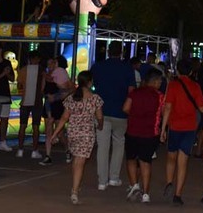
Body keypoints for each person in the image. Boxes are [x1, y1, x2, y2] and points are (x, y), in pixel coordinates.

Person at [50, 70, 104, 205]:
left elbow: (64, 118)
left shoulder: (71, 97)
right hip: (87, 134)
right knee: (80, 162)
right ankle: (74, 191)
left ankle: (76, 185)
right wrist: (100, 125)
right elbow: (100, 117)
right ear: (90, 82)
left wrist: (55, 133)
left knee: (76, 159)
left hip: (73, 132)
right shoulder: (95, 98)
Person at [91, 41, 136, 190]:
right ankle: (114, 178)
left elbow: (95, 85)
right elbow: (131, 91)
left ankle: (101, 181)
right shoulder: (128, 68)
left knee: (102, 147)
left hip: (101, 111)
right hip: (120, 112)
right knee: (118, 144)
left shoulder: (98, 66)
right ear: (121, 52)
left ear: (108, 51)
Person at [161, 57, 203, 206]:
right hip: (189, 127)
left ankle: (169, 183)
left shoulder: (172, 85)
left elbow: (167, 107)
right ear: (192, 71)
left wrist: (163, 128)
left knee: (171, 158)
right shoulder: (195, 86)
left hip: (174, 126)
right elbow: (202, 108)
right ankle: (178, 194)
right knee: (183, 161)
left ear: (178, 70)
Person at [124, 67, 164, 203]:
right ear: (156, 82)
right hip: (150, 133)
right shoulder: (159, 96)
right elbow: (163, 112)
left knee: (131, 159)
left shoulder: (135, 93)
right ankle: (146, 194)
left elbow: (125, 108)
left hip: (133, 130)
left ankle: (135, 185)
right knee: (145, 162)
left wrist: (135, 115)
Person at [40, 55, 73, 165]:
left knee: (60, 133)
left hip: (58, 104)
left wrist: (60, 92)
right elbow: (43, 90)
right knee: (48, 129)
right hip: (49, 103)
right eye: (48, 64)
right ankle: (48, 155)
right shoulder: (47, 76)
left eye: (52, 63)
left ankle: (67, 150)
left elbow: (69, 89)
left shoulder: (59, 73)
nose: (50, 66)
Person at [15, 50, 45, 159]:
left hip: (25, 101)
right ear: (39, 59)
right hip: (37, 101)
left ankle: (20, 149)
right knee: (36, 126)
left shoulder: (23, 70)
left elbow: (19, 85)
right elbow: (43, 87)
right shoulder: (42, 71)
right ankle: (35, 150)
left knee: (22, 125)